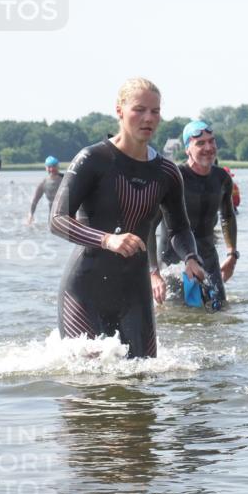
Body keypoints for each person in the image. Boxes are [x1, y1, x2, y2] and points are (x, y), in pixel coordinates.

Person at [50, 78, 205, 358]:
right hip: (85, 291)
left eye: (155, 111)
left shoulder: (167, 172)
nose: (149, 118)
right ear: (119, 110)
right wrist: (107, 239)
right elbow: (57, 219)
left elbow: (179, 228)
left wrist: (191, 257)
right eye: (139, 109)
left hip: (135, 294)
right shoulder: (93, 159)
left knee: (142, 385)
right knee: (88, 387)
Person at [148, 120, 238, 307]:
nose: (208, 147)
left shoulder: (221, 178)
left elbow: (227, 216)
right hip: (172, 263)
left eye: (211, 141)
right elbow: (148, 226)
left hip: (208, 261)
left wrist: (231, 255)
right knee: (177, 316)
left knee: (218, 311)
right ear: (187, 149)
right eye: (200, 143)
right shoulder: (173, 178)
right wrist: (154, 273)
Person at [27, 156, 64, 224]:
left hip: (67, 214)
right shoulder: (44, 183)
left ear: (58, 166)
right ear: (46, 168)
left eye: (54, 166)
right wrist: (31, 214)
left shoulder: (65, 179)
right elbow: (35, 200)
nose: (52, 169)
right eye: (49, 167)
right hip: (52, 216)